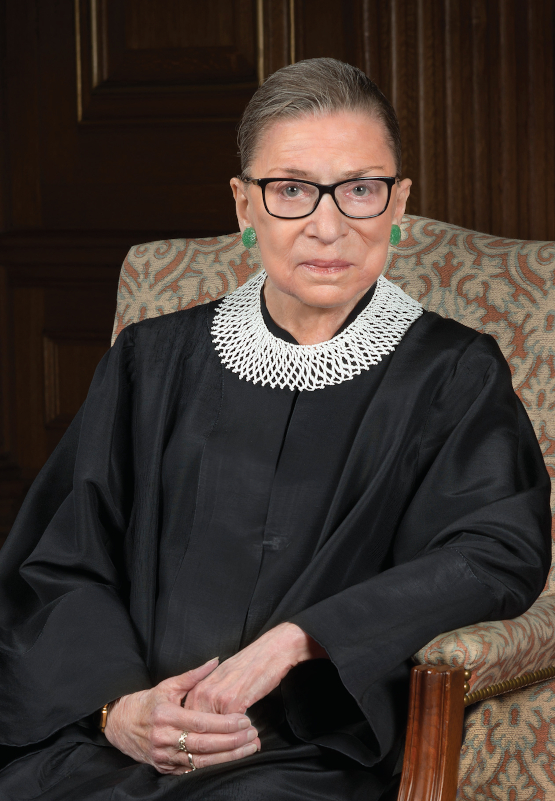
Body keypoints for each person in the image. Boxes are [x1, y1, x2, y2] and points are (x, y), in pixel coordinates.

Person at [0, 58, 551, 801]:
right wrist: (119, 708)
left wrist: (301, 637)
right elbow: (59, 560)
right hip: (119, 740)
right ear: (243, 203)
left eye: (360, 189)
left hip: (310, 749)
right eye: (291, 190)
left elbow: (496, 553)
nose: (328, 225)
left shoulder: (453, 372)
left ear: (398, 201)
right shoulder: (151, 360)